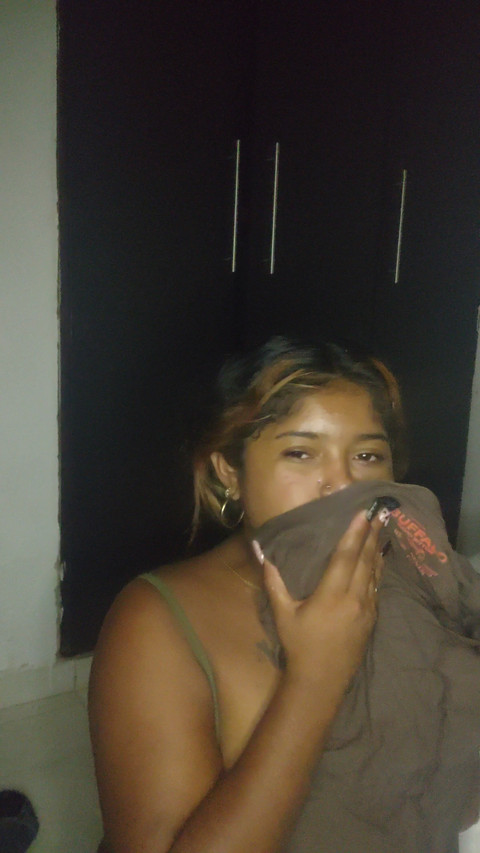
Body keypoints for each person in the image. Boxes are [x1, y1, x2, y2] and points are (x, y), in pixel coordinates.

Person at [88, 337, 475, 853]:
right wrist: (315, 678)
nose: (342, 484)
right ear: (230, 472)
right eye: (301, 453)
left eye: (367, 455)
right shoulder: (155, 620)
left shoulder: (411, 578)